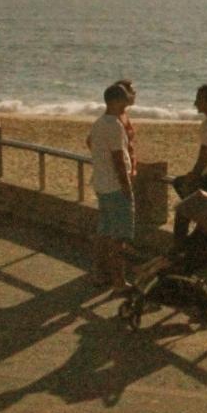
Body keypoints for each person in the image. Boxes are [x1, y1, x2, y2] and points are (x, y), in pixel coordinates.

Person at [86, 80, 137, 290]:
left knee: (104, 232)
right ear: (116, 101)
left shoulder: (99, 122)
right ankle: (118, 281)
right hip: (115, 187)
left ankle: (99, 273)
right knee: (119, 238)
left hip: (101, 184)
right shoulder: (114, 125)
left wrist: (101, 160)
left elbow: (90, 142)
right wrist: (127, 187)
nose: (127, 101)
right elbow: (118, 160)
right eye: (124, 98)